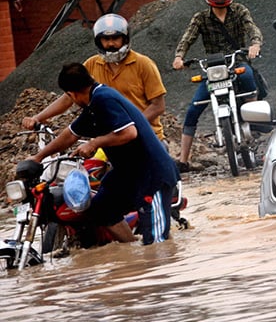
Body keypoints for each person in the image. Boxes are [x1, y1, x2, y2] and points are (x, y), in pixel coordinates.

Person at [28, 63, 178, 245]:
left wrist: (95, 142)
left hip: (152, 175)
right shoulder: (93, 104)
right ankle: (131, 249)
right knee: (102, 209)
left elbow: (129, 133)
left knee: (157, 245)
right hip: (128, 173)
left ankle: (151, 254)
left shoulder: (104, 98)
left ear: (71, 94)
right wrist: (38, 157)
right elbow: (70, 134)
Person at [172, 0, 262, 172]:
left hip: (236, 62)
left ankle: (253, 122)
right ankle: (184, 160)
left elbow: (252, 28)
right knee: (193, 109)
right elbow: (187, 38)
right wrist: (179, 57)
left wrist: (255, 44)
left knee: (248, 77)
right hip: (214, 68)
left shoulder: (239, 11)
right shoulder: (200, 18)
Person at [22, 13, 167, 141]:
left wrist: (131, 127)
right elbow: (68, 98)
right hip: (112, 140)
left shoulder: (143, 64)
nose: (111, 43)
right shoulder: (91, 64)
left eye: (116, 38)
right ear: (99, 41)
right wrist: (38, 118)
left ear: (125, 39)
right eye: (105, 39)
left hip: (146, 137)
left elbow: (158, 106)